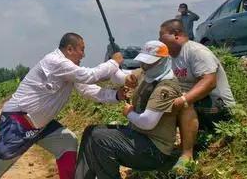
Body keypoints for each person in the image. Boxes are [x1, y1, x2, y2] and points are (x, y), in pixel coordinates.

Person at [0, 33, 125, 179]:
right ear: (70, 49)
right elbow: (89, 75)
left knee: (67, 141)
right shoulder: (55, 61)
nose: (83, 55)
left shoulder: (70, 70)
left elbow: (88, 90)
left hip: (41, 126)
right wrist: (114, 62)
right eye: (82, 49)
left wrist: (116, 96)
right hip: (18, 123)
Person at [75, 40, 181, 179]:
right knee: (91, 131)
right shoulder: (147, 73)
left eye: (149, 63)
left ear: (164, 61)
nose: (144, 66)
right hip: (139, 137)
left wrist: (129, 113)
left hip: (154, 151)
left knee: (99, 139)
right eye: (144, 62)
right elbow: (120, 77)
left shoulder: (165, 87)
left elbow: (148, 122)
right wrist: (115, 64)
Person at [158, 19, 235, 168]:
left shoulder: (195, 51)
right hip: (199, 107)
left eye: (161, 36)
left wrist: (183, 100)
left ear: (176, 35)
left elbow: (209, 82)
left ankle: (187, 155)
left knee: (184, 102)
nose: (159, 41)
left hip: (218, 107)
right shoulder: (171, 58)